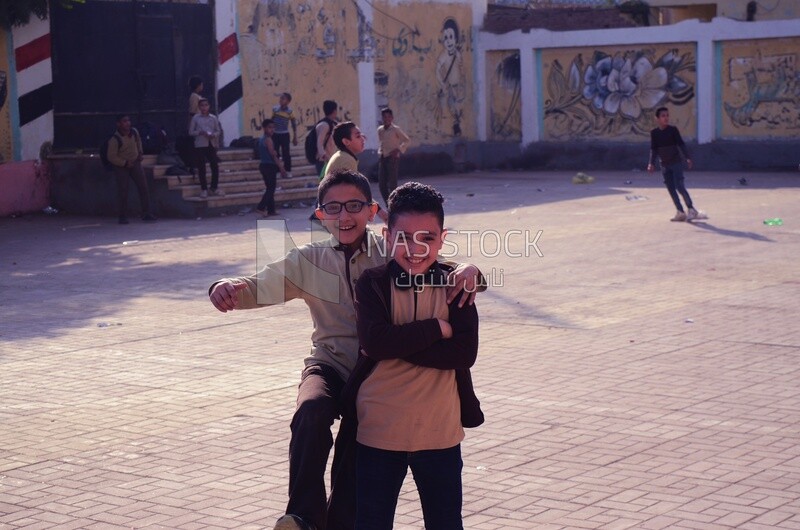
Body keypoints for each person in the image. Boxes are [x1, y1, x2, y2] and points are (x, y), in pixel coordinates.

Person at [208, 170, 482, 530]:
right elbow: (258, 285)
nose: (344, 216)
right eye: (333, 208)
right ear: (320, 215)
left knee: (355, 459)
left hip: (375, 376)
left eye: (354, 205)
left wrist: (472, 269)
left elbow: (438, 263)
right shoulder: (307, 261)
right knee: (312, 410)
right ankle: (303, 516)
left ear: (372, 211)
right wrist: (224, 286)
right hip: (331, 365)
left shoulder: (391, 249)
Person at [348, 181, 481, 530]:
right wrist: (437, 329)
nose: (415, 248)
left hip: (440, 433)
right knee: (372, 523)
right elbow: (376, 344)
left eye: (427, 237)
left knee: (446, 523)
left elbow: (464, 353)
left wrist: (399, 343)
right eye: (404, 237)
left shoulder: (457, 285)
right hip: (379, 431)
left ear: (443, 237)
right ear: (387, 236)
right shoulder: (372, 283)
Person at [647, 107, 702, 222]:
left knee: (679, 186)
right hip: (664, 165)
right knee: (671, 188)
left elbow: (681, 144)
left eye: (667, 115)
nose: (666, 118)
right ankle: (680, 212)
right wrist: (651, 163)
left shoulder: (673, 130)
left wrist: (687, 157)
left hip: (676, 163)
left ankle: (691, 209)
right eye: (663, 116)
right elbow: (654, 149)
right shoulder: (654, 133)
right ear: (657, 118)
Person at [107, 114, 157, 224]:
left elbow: (138, 142)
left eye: (128, 121)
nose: (127, 123)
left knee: (143, 187)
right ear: (119, 124)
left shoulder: (134, 132)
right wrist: (124, 163)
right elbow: (111, 156)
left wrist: (140, 153)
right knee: (123, 191)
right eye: (124, 121)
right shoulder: (115, 139)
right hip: (122, 166)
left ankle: (146, 213)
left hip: (135, 163)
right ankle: (122, 216)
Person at [189, 98, 224, 198]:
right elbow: (191, 132)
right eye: (202, 105)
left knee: (214, 166)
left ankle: (214, 187)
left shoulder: (213, 118)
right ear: (199, 107)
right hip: (200, 144)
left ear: (209, 106)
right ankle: (203, 189)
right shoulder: (195, 118)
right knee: (201, 168)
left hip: (211, 144)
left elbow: (218, 131)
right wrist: (200, 132)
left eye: (206, 105)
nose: (204, 107)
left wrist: (214, 135)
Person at [376, 108, 410, 207]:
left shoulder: (395, 129)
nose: (386, 119)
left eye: (388, 117)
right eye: (384, 117)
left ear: (392, 118)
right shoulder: (380, 130)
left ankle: (395, 205)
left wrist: (398, 149)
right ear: (382, 118)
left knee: (392, 184)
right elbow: (382, 143)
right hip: (383, 157)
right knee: (382, 184)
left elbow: (407, 140)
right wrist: (380, 153)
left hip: (392, 158)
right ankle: (389, 204)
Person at [255, 118, 287, 217]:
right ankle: (261, 207)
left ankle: (271, 210)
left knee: (270, 187)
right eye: (269, 128)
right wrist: (281, 168)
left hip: (263, 166)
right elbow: (273, 155)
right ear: (264, 128)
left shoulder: (261, 139)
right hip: (269, 166)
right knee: (271, 188)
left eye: (273, 127)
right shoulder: (268, 140)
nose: (272, 130)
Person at [272, 92, 298, 178]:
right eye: (280, 98)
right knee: (276, 153)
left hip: (285, 135)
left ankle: (288, 170)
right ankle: (277, 171)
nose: (281, 100)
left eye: (283, 98)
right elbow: (271, 121)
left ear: (288, 101)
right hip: (275, 134)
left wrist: (295, 136)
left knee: (286, 153)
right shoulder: (275, 109)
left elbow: (293, 124)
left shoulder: (290, 112)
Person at [315, 100, 339, 176]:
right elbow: (319, 143)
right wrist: (326, 158)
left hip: (330, 159)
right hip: (324, 161)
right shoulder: (324, 125)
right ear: (334, 111)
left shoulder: (333, 123)